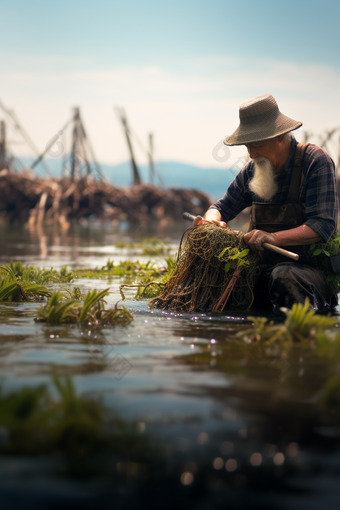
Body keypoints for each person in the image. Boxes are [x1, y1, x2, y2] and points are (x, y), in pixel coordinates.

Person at [194, 93, 339, 311]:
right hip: (263, 270)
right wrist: (211, 221)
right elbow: (219, 208)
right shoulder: (253, 169)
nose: (251, 154)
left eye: (256, 145)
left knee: (283, 276)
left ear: (280, 136)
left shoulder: (315, 162)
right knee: (219, 280)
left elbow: (323, 225)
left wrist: (273, 238)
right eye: (247, 147)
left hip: (308, 275)